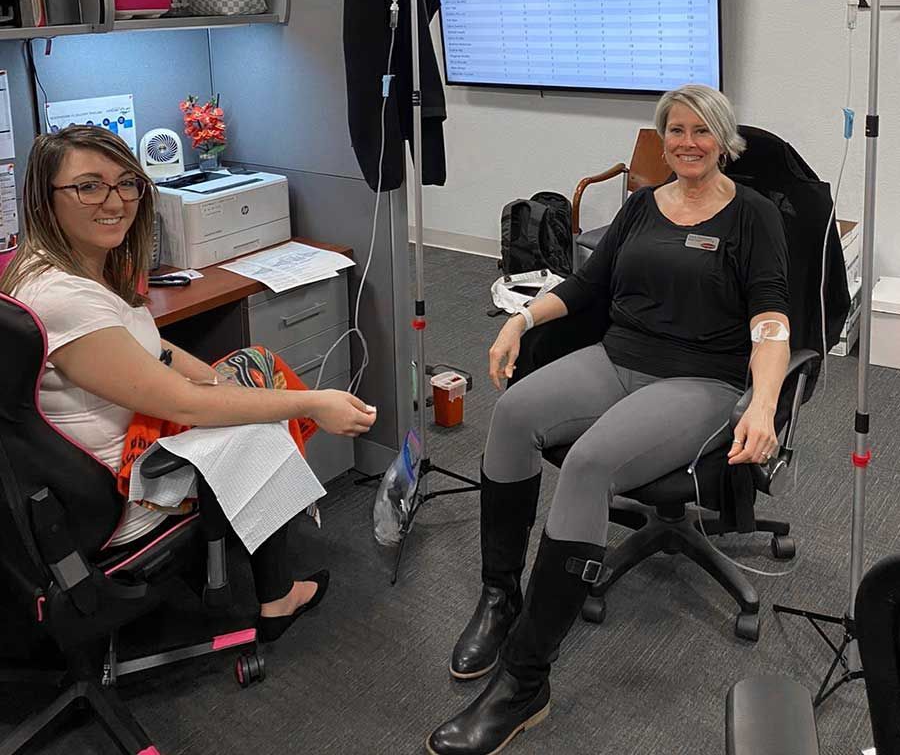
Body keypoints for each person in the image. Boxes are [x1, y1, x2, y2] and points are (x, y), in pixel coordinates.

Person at [427, 85, 790, 755]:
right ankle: (501, 596)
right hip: (619, 357)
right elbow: (588, 288)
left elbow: (771, 320)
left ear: (723, 139)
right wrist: (522, 318)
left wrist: (763, 401)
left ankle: (525, 679)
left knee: (591, 464)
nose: (687, 142)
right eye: (675, 130)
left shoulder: (754, 216)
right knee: (512, 413)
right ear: (663, 137)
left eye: (701, 131)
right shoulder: (644, 204)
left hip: (699, 380)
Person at [1, 125, 377, 643]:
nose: (114, 201)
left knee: (252, 365)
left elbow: (150, 346)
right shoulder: (66, 299)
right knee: (258, 423)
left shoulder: (54, 267)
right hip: (123, 492)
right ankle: (276, 592)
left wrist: (213, 375)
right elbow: (183, 402)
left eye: (125, 184)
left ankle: (263, 546)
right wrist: (317, 400)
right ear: (46, 199)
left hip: (87, 464)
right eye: (88, 186)